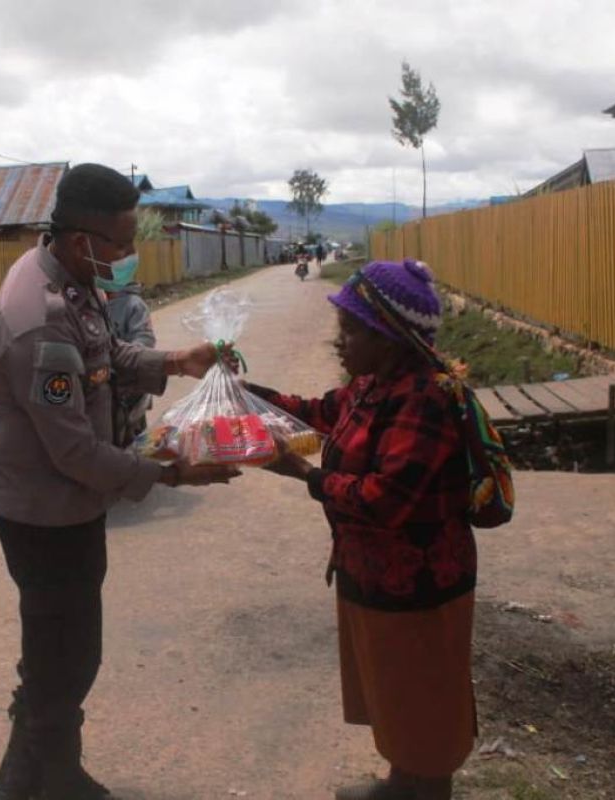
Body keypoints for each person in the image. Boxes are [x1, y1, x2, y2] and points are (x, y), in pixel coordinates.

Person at [0, 163, 240, 800]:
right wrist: (171, 473)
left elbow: (104, 354)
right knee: (62, 656)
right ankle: (29, 784)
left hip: (65, 501)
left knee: (62, 653)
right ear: (79, 241)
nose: (129, 255)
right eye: (121, 243)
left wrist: (176, 359)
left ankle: (52, 776)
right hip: (43, 509)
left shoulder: (65, 275)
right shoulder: (38, 318)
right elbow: (73, 450)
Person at [249, 259, 477, 800]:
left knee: (423, 698)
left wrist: (308, 474)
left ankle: (424, 789)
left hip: (419, 585)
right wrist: (246, 392)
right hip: (373, 574)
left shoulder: (424, 399)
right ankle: (401, 783)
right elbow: (316, 411)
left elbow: (384, 500)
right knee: (393, 692)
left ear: (389, 336)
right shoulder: (373, 385)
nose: (339, 342)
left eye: (350, 330)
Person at [100, 271, 155, 448]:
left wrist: (122, 360)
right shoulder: (95, 302)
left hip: (131, 392)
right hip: (105, 391)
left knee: (136, 443)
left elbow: (145, 340)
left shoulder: (134, 305)